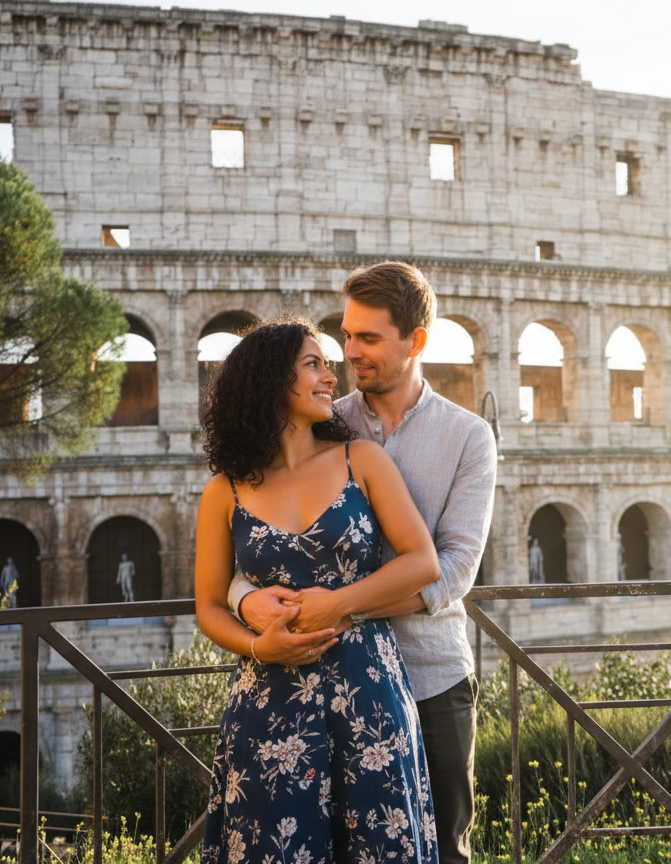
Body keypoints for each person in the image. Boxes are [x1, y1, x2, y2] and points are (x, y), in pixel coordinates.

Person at [229, 262, 498, 864]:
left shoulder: (468, 436)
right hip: (324, 680)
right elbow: (259, 537)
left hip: (431, 675)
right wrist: (245, 600)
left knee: (443, 851)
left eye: (368, 338)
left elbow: (455, 569)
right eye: (347, 335)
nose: (350, 352)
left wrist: (342, 609)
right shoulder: (321, 418)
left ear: (415, 340)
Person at [195, 315, 441, 864]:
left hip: (368, 686)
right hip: (268, 697)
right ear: (270, 380)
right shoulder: (223, 491)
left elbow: (423, 562)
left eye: (328, 365)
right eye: (314, 365)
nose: (332, 376)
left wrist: (339, 604)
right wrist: (259, 646)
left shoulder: (361, 460)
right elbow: (208, 606)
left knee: (381, 844)